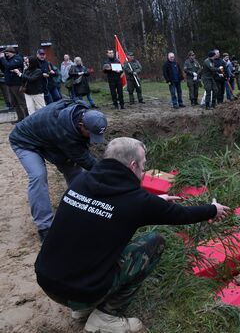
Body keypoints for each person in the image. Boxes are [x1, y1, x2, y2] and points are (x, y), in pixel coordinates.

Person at [34, 137, 229, 333]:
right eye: (143, 166)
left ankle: (82, 307)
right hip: (81, 289)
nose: (144, 171)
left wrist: (154, 201)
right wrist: (212, 209)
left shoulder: (81, 181)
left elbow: (118, 204)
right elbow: (182, 214)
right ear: (133, 165)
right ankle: (106, 316)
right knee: (154, 243)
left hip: (47, 279)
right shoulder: (137, 202)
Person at [9, 100, 108, 242]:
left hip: (48, 139)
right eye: (91, 134)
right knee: (38, 176)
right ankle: (44, 227)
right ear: (81, 126)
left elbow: (80, 152)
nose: (93, 140)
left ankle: (82, 209)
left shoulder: (85, 112)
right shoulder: (63, 132)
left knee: (74, 172)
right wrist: (111, 173)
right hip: (24, 141)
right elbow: (86, 161)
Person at [0, 46, 28, 122]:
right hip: (9, 84)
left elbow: (9, 66)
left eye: (7, 53)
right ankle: (20, 118)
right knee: (14, 102)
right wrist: (1, 60)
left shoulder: (17, 59)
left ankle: (27, 118)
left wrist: (2, 58)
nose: (6, 55)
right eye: (5, 53)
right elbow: (4, 68)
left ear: (12, 53)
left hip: (17, 84)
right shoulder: (7, 60)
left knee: (22, 102)